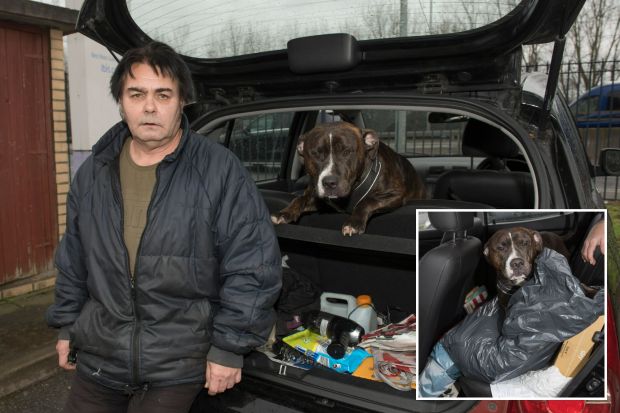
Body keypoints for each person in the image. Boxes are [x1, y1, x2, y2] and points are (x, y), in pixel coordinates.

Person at [46, 41, 282, 413]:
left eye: (163, 94)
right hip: (100, 353)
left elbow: (253, 265)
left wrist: (228, 346)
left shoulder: (218, 169)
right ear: (121, 102)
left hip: (179, 363)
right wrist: (66, 326)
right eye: (137, 93)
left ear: (183, 101)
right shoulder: (94, 170)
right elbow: (74, 257)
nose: (150, 107)